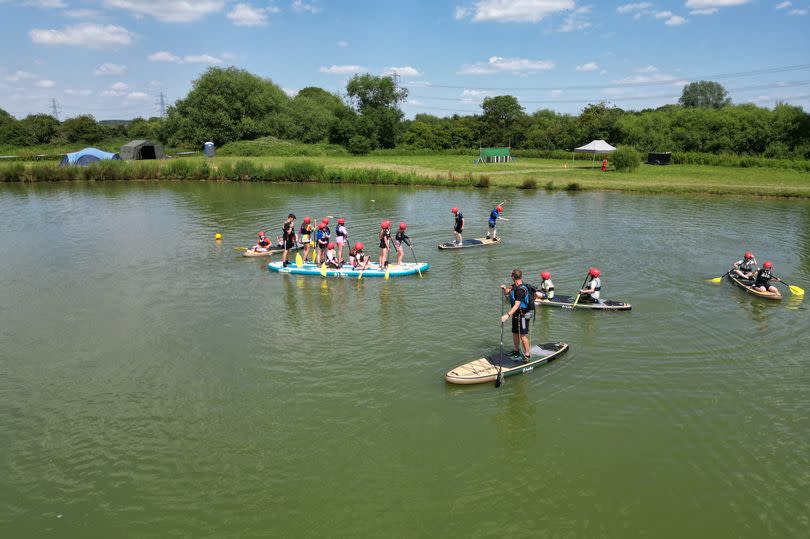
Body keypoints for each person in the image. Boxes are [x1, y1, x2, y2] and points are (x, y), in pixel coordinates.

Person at [500, 269, 533, 362]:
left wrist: (507, 315)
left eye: (511, 276)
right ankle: (516, 351)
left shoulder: (521, 290)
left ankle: (527, 354)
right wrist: (504, 289)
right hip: (516, 314)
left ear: (513, 277)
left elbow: (517, 305)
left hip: (523, 315)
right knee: (514, 332)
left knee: (523, 335)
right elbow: (506, 292)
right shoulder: (514, 286)